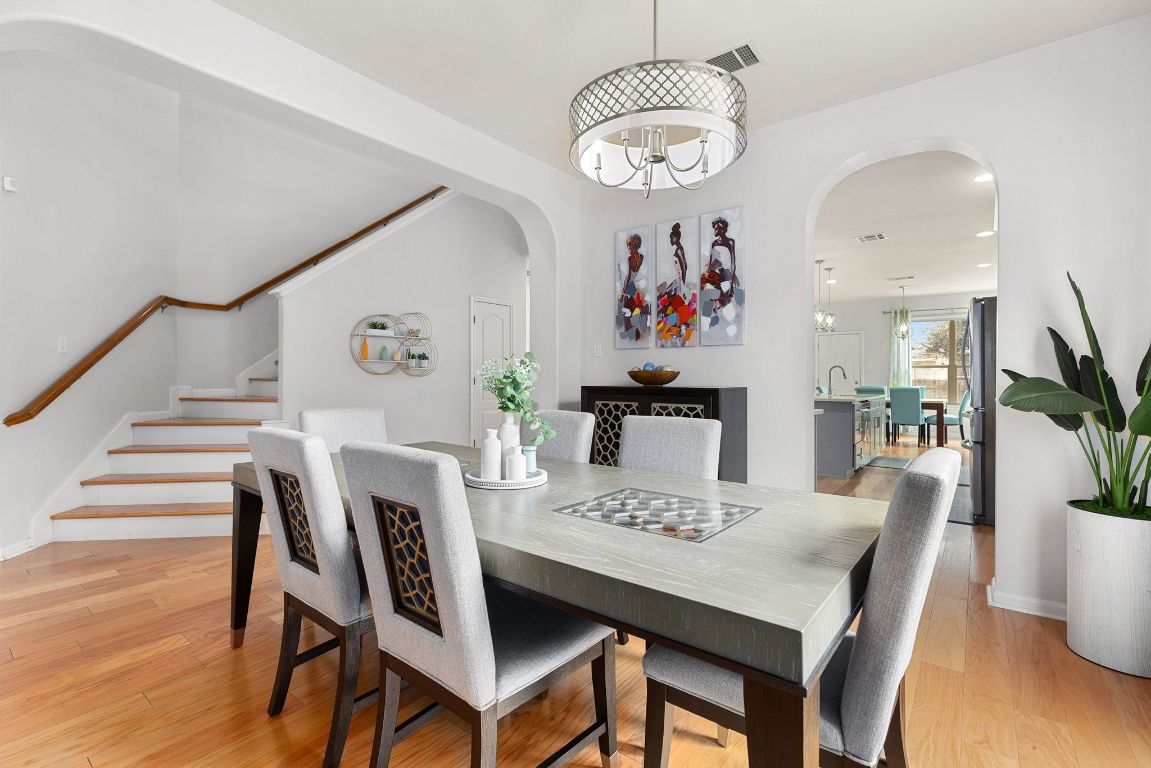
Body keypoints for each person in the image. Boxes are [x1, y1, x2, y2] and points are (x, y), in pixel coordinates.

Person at [617, 233, 649, 342]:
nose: (628, 249)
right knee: (633, 309)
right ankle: (635, 332)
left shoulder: (630, 259)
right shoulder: (641, 257)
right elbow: (633, 274)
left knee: (626, 309)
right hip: (633, 285)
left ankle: (631, 333)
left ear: (634, 246)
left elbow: (629, 275)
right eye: (628, 247)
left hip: (628, 285)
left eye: (630, 246)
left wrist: (623, 292)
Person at [701, 216, 738, 310]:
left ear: (723, 229)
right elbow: (711, 261)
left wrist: (731, 283)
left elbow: (733, 263)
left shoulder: (730, 242)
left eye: (717, 229)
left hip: (726, 274)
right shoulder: (714, 243)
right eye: (715, 228)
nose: (715, 231)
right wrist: (706, 277)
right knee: (711, 300)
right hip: (714, 275)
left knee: (725, 302)